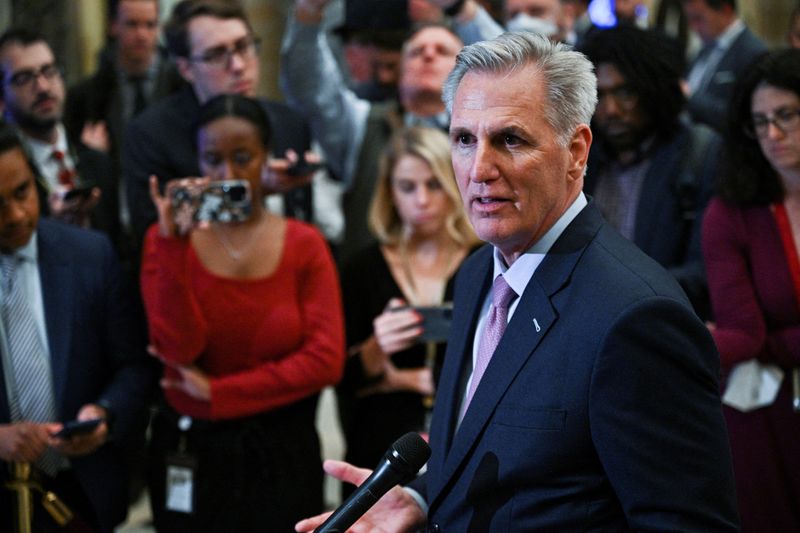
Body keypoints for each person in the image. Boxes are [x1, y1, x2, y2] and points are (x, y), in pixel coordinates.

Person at [297, 31, 738, 532]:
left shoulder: (638, 318)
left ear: (576, 151)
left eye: (511, 139)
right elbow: (496, 449)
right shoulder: (475, 275)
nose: (480, 169)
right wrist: (422, 499)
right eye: (464, 139)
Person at [141, 94, 345, 532]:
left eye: (242, 158)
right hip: (194, 450)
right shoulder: (168, 242)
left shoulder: (304, 244)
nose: (226, 175)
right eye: (212, 159)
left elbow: (325, 360)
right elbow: (178, 349)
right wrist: (172, 246)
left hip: (282, 451)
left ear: (264, 159)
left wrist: (219, 394)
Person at [0, 124, 154, 532]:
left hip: (81, 493)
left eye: (22, 193)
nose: (16, 215)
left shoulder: (89, 255)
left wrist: (103, 414)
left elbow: (134, 366)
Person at [282, 0, 502, 264]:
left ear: (465, 73)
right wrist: (308, 12)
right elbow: (311, 89)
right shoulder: (362, 123)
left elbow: (515, 70)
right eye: (416, 51)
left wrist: (462, 9)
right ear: (401, 70)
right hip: (372, 289)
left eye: (442, 51)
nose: (428, 55)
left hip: (469, 280)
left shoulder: (486, 133)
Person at [338, 126, 478, 478]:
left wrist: (405, 380)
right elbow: (341, 378)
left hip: (465, 443)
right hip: (380, 448)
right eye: (407, 187)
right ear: (389, 192)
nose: (422, 200)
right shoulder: (362, 268)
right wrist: (376, 347)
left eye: (434, 184)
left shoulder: (486, 261)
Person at [124, 0, 317, 248]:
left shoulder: (289, 122)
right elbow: (158, 223)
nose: (238, 66)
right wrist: (253, 190)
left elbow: (303, 221)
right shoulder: (151, 134)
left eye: (243, 47)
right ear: (186, 69)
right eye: (216, 55)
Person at [702, 49, 800, 533]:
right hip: (767, 401)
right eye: (759, 123)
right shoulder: (732, 211)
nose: (773, 135)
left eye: (785, 116)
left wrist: (778, 340)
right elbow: (745, 334)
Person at [582, 26, 720, 318]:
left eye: (625, 93)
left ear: (651, 89)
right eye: (599, 96)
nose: (611, 110)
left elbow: (708, 272)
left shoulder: (699, 155)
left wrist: (623, 293)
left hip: (667, 326)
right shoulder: (584, 160)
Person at [64, 0, 184, 235]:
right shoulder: (86, 97)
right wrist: (91, 156)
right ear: (113, 26)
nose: (142, 34)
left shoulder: (181, 87)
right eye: (132, 24)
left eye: (150, 25)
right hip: (113, 223)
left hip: (170, 219)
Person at [0, 28, 120, 246]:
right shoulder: (8, 178)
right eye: (24, 78)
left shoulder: (98, 163)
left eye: (49, 71)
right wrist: (51, 228)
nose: (43, 87)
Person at [680, 0, 767, 132]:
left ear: (726, 10)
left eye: (698, 18)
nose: (693, 26)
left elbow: (743, 118)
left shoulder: (753, 52)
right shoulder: (706, 48)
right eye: (690, 19)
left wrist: (690, 96)